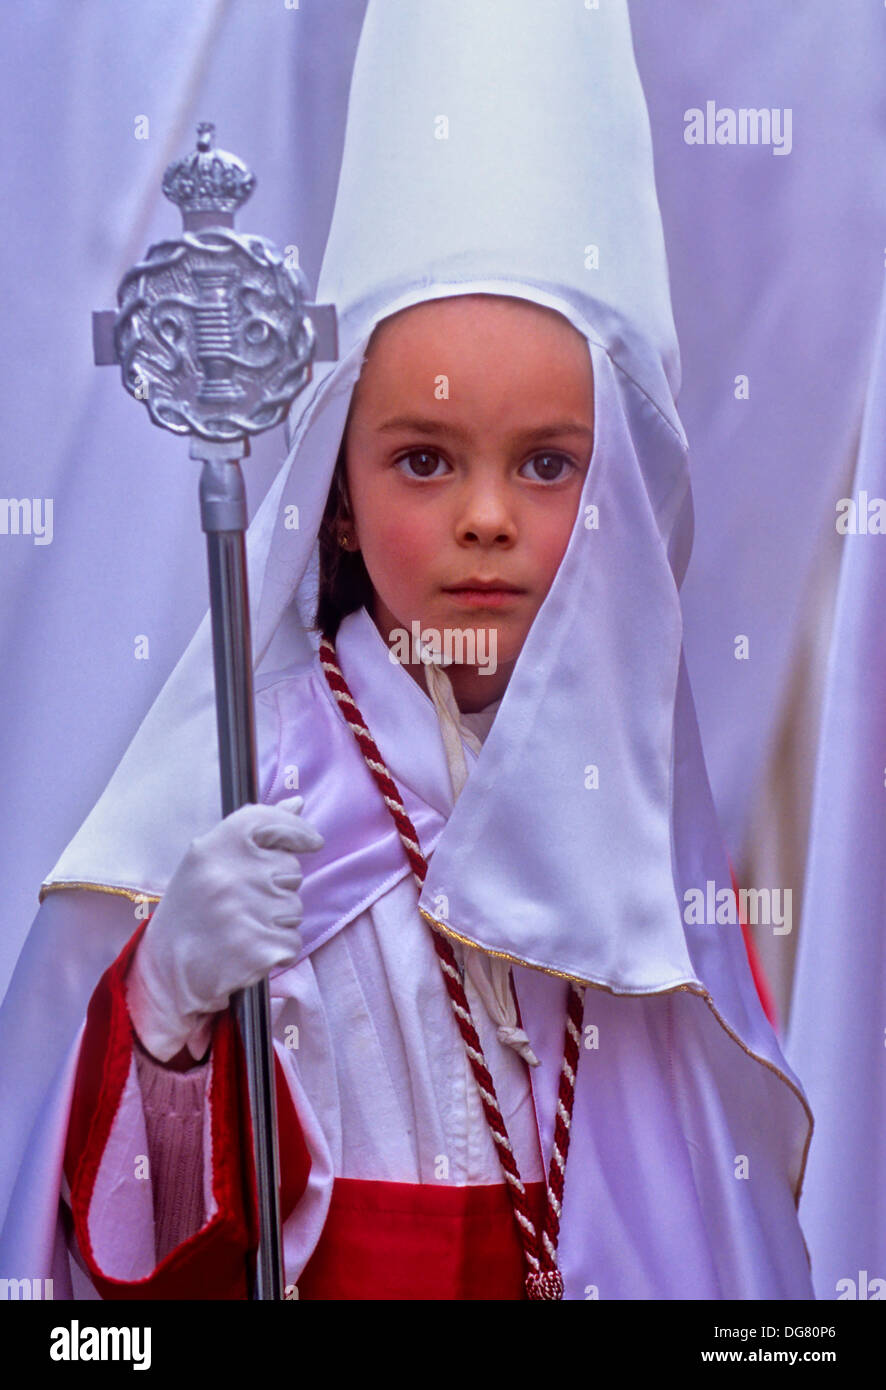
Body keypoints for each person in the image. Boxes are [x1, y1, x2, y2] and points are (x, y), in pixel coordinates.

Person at [0, 0, 815, 1300]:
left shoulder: (641, 816)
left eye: (546, 464)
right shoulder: (258, 785)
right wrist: (166, 1013)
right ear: (332, 487)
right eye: (424, 460)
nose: (484, 517)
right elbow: (124, 1275)